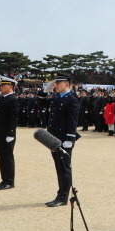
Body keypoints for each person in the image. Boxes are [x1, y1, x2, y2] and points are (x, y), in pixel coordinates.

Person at [44, 73, 81, 207]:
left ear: (66, 84)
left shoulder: (72, 99)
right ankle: (60, 193)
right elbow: (41, 101)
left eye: (58, 83)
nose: (55, 85)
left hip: (64, 139)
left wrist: (70, 138)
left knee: (64, 168)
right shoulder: (57, 97)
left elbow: (73, 121)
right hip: (54, 138)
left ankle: (63, 197)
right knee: (59, 167)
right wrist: (47, 88)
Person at [0, 76, 19, 190]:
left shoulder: (13, 99)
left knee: (7, 157)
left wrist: (11, 133)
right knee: (1, 157)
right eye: (0, 85)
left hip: (7, 133)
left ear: (10, 86)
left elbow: (13, 118)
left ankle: (9, 181)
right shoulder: (2, 98)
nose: (0, 87)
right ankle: (4, 179)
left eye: (3, 85)